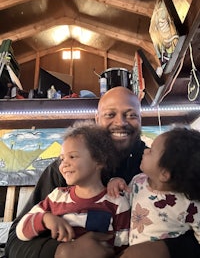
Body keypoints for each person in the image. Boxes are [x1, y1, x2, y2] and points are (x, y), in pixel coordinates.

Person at [5, 86, 200, 258]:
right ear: (97, 119)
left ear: (141, 120)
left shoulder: (161, 166)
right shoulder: (65, 170)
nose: (121, 122)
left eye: (131, 115)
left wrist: (166, 249)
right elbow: (15, 242)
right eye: (110, 114)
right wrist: (61, 252)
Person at [16, 124, 130, 253]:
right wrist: (44, 218)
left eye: (72, 156)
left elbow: (123, 248)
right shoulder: (56, 197)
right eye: (62, 158)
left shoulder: (117, 202)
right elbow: (21, 232)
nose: (64, 163)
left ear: (99, 160)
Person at [107, 127, 200, 247]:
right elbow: (122, 201)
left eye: (150, 151)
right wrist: (116, 182)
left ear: (164, 174)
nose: (145, 151)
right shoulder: (138, 182)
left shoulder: (190, 204)